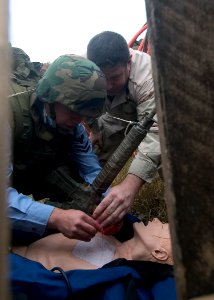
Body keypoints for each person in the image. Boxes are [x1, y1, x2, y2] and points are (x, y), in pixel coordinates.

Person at [8, 52, 107, 242]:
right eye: (74, 111)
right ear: (51, 98)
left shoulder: (72, 124)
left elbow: (91, 170)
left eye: (84, 115)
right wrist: (56, 217)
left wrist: (109, 201)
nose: (79, 121)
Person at [86, 31, 161, 228]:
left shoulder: (149, 77)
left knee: (167, 160)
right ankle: (90, 200)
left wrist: (129, 186)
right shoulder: (86, 71)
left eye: (115, 77)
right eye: (103, 79)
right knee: (94, 152)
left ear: (128, 61)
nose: (108, 86)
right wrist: (95, 130)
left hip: (152, 113)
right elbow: (86, 106)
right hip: (116, 113)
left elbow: (155, 134)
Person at [12, 217, 173, 271]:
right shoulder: (110, 235)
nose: (157, 219)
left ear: (159, 253)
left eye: (164, 226)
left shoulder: (97, 278)